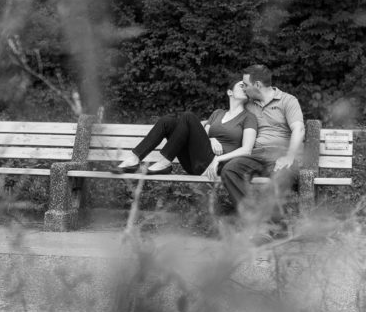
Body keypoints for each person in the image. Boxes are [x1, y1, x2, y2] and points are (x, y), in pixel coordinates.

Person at [115, 77, 259, 176]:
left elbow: (246, 150)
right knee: (167, 121)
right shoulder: (217, 113)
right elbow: (203, 136)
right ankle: (134, 158)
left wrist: (218, 159)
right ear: (230, 92)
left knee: (188, 116)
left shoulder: (249, 117)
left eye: (247, 87)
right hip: (193, 162)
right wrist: (212, 139)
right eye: (242, 85)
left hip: (214, 165)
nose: (245, 88)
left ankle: (165, 162)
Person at [218, 64, 305, 220]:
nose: (243, 89)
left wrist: (289, 157)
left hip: (280, 155)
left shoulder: (287, 101)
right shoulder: (248, 104)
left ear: (257, 85)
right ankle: (253, 219)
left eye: (246, 85)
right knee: (229, 170)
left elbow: (298, 129)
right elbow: (226, 118)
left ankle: (271, 226)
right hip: (255, 155)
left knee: (281, 175)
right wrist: (208, 129)